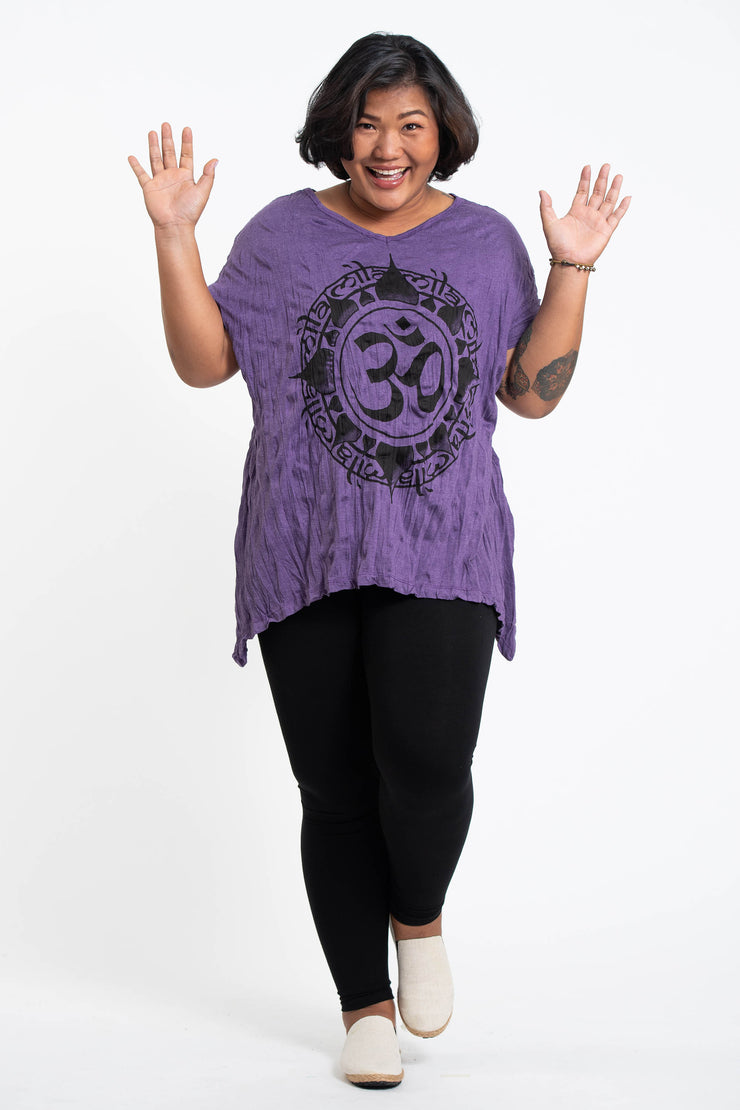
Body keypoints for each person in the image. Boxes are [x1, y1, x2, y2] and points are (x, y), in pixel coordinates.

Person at [129, 32, 630, 1091]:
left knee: (429, 769)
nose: (387, 146)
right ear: (337, 131)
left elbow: (529, 396)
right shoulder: (280, 235)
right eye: (367, 123)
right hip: (302, 539)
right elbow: (205, 364)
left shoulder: (486, 243)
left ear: (443, 132)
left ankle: (418, 915)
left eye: (410, 124)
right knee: (334, 788)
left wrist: (572, 268)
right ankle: (363, 1007)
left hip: (443, 543)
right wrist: (174, 237)